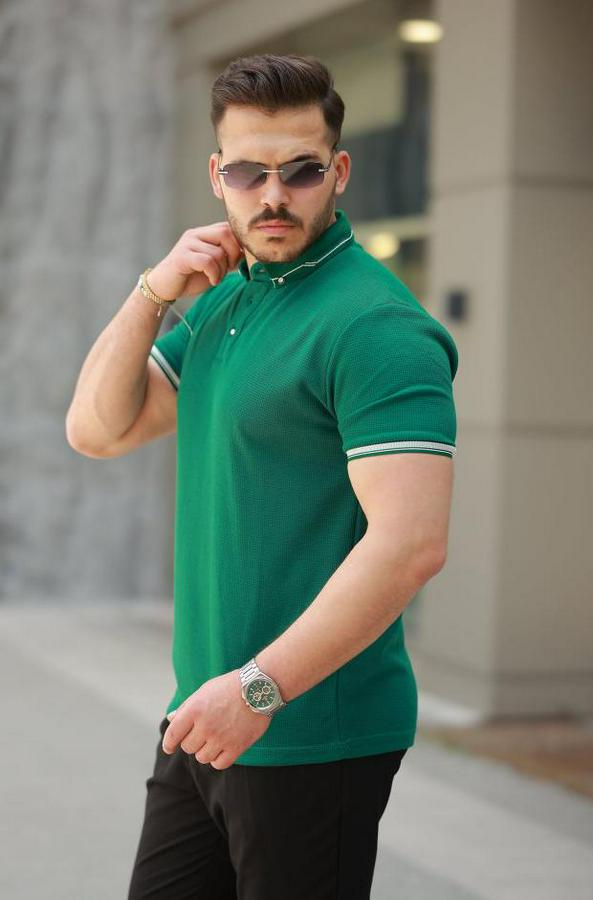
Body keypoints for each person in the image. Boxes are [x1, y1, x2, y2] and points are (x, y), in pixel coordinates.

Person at [66, 53, 458, 900]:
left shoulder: (376, 327)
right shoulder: (226, 298)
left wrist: (256, 690)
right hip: (202, 716)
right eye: (248, 172)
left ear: (338, 172)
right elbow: (97, 430)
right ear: (218, 176)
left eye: (300, 171)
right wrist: (153, 291)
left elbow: (411, 544)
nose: (272, 195)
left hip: (308, 728)